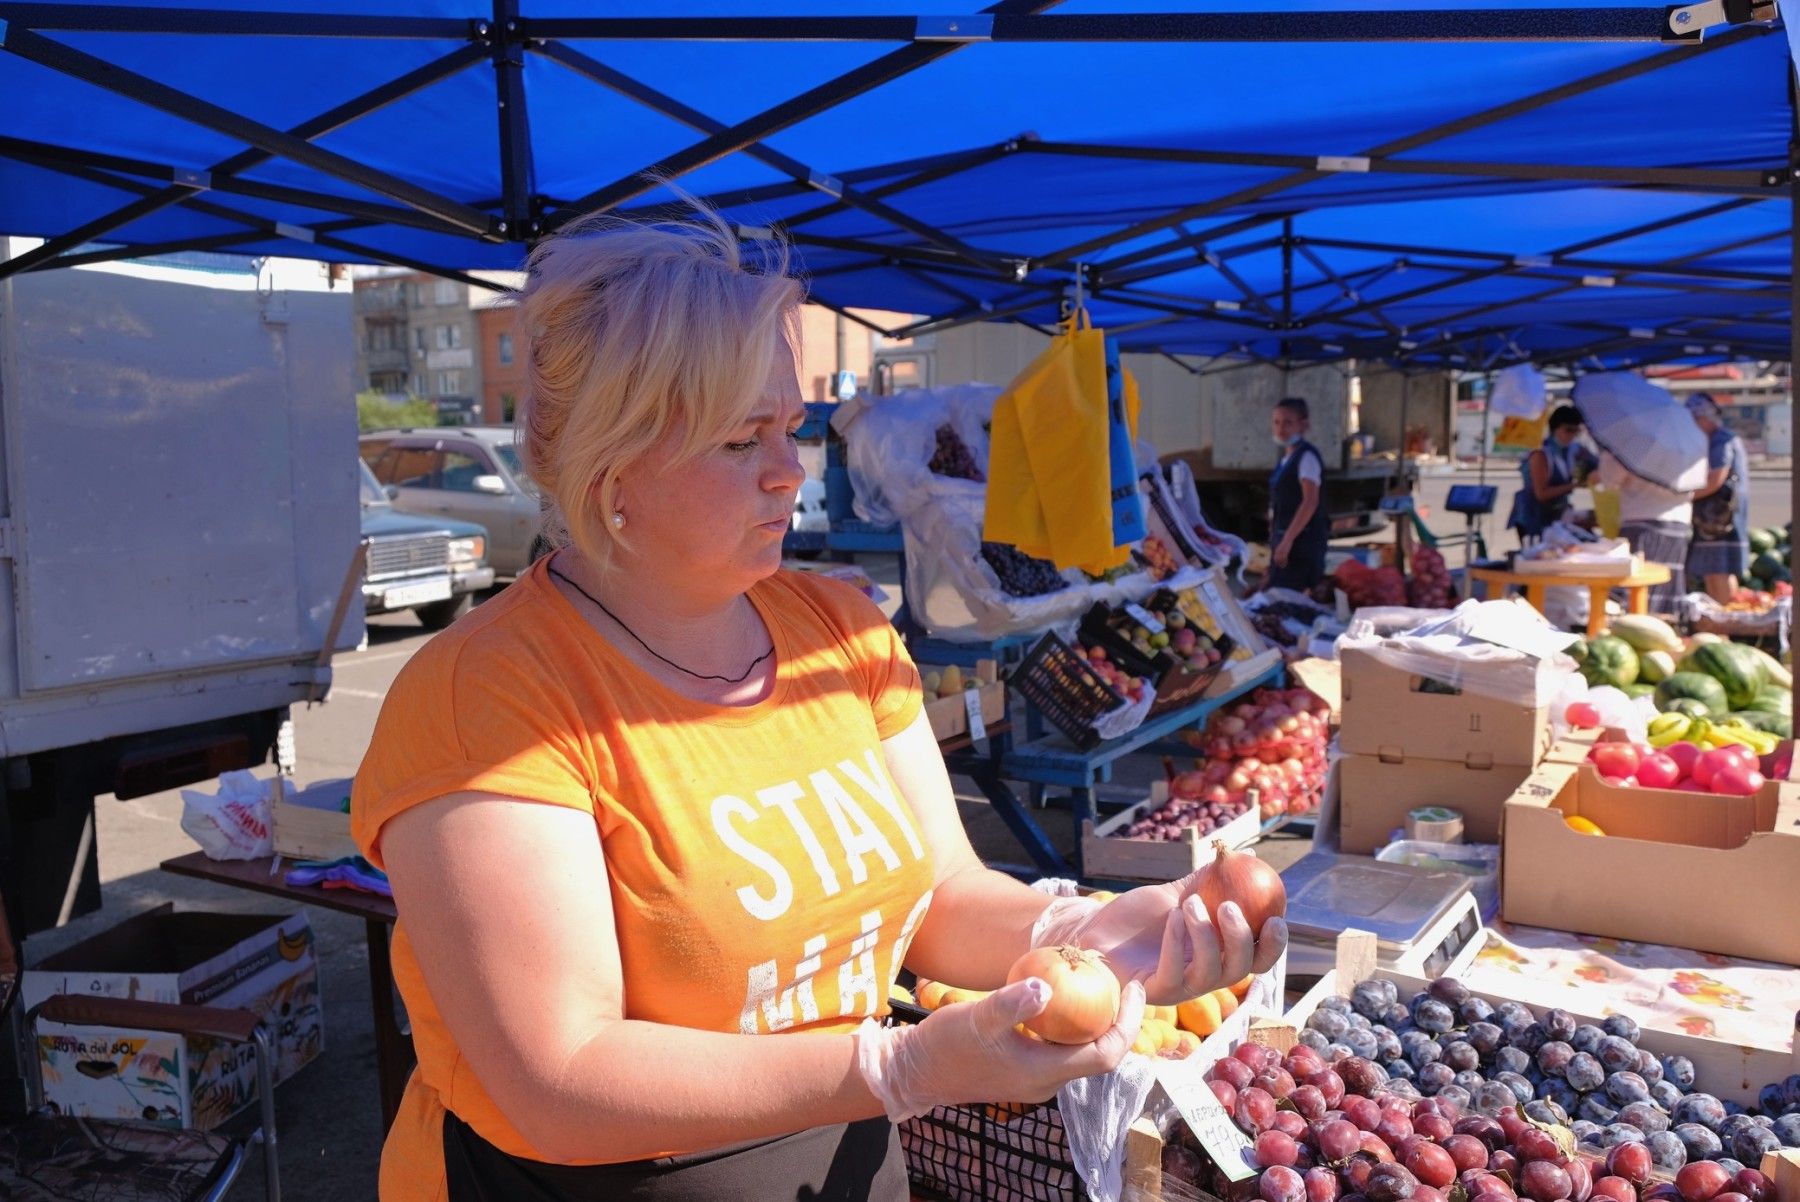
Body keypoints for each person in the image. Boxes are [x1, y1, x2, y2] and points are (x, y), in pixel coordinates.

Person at [350, 208, 1286, 1202]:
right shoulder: (489, 696)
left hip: (843, 1166)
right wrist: (898, 1067)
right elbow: (559, 1074)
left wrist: (1089, 930)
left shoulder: (840, 631)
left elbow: (938, 898)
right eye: (739, 437)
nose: (788, 468)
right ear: (611, 468)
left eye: (788, 425)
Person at [1595, 448, 1691, 611]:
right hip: (1678, 523)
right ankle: (1668, 626)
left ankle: (1637, 625)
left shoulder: (1633, 445)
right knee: (1667, 585)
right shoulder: (1688, 446)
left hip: (1641, 520)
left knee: (1637, 582)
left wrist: (1605, 460)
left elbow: (1609, 479)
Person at [1684, 394, 1750, 604]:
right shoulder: (1720, 437)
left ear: (1704, 418)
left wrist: (1685, 497)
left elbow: (1716, 478)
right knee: (1715, 573)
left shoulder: (1720, 439)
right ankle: (1725, 622)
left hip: (1718, 518)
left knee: (1718, 572)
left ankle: (1725, 626)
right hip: (1720, 518)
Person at [1505, 405, 1597, 544]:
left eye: (1576, 431)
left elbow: (1599, 464)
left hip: (1557, 513)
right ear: (1555, 428)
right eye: (1568, 430)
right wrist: (1574, 485)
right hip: (1532, 516)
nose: (1571, 435)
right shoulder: (1541, 453)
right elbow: (1541, 494)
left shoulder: (1574, 449)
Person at [1266, 397, 1330, 591]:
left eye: (1288, 423)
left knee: (1293, 600)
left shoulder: (1306, 457)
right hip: (1286, 540)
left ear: (1304, 425)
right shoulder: (1287, 458)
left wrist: (1287, 541)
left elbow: (1310, 501)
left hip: (1302, 545)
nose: (1281, 429)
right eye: (1276, 422)